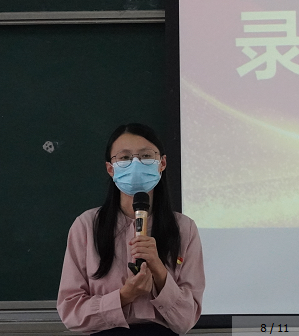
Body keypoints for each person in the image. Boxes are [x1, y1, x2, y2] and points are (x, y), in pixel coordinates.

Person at [58, 123, 204, 335]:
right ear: (110, 168)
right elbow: (71, 313)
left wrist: (159, 270)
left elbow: (186, 320)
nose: (136, 164)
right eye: (125, 158)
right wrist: (124, 296)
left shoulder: (184, 228)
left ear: (162, 163)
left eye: (146, 156)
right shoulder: (87, 225)